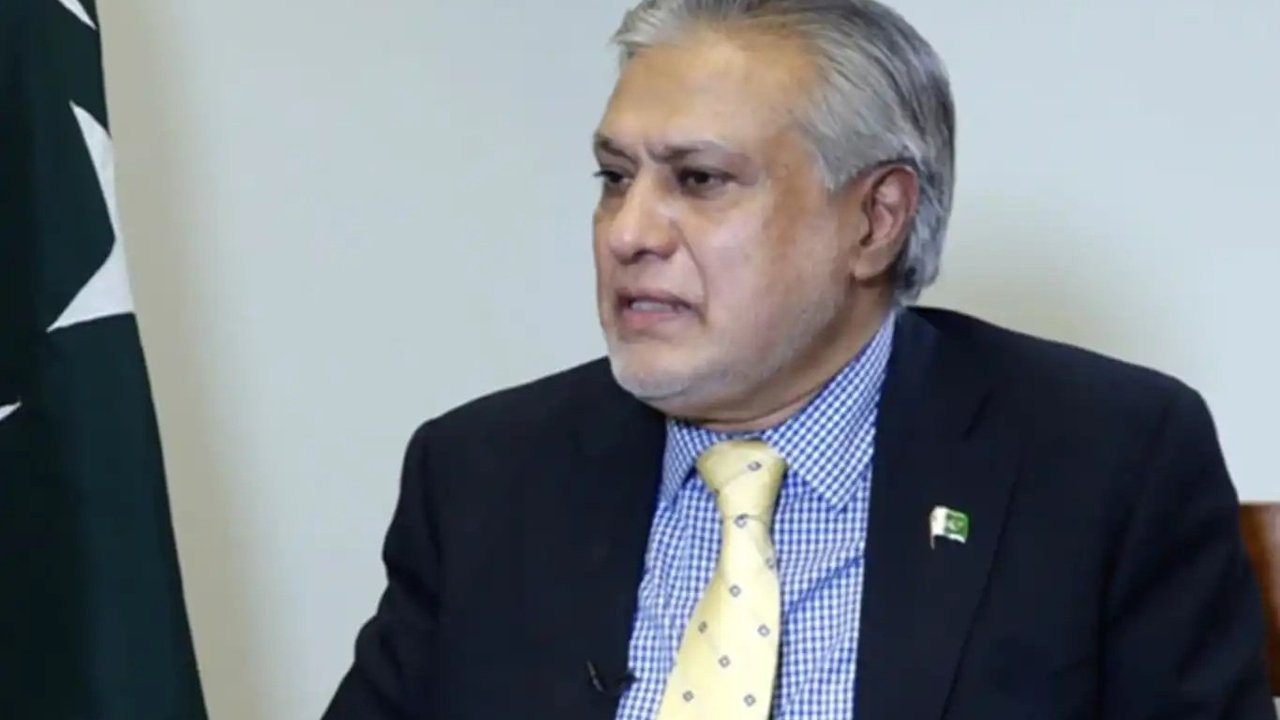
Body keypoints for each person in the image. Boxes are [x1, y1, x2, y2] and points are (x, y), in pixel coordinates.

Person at [322, 1, 1275, 718]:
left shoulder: (1104, 459)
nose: (628, 232)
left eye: (700, 179)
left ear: (875, 219)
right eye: (614, 178)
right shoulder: (483, 472)